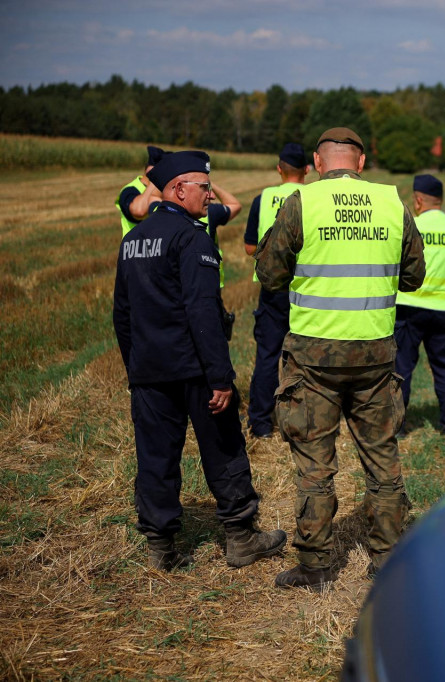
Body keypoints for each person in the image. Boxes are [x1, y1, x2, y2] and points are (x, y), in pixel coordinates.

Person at [255, 127, 425, 589]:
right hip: (375, 355)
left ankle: (315, 566)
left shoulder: (302, 203)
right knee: (382, 460)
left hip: (313, 358)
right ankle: (388, 561)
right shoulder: (392, 204)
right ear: (362, 162)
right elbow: (414, 278)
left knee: (315, 465)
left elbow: (268, 274)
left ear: (318, 162)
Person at [112, 150, 287, 572]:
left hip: (149, 370)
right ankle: (241, 538)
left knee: (155, 457)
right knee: (224, 449)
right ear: (178, 189)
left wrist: (135, 366)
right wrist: (221, 377)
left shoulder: (133, 240)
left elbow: (122, 313)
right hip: (195, 369)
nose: (210, 195)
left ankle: (161, 550)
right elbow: (202, 311)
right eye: (204, 187)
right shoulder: (192, 237)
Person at [395, 174, 445, 436]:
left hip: (409, 307)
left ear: (418, 199)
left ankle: (398, 427)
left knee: (401, 368)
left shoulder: (407, 226)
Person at [243, 142, 308, 438]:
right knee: (305, 356)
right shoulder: (314, 198)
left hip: (272, 289)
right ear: (307, 170)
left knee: (268, 356)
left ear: (278, 169)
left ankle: (260, 423)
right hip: (307, 288)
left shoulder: (263, 197)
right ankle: (302, 422)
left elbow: (249, 247)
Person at [115, 145, 165, 236]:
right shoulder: (130, 190)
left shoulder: (166, 190)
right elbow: (139, 211)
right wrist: (156, 179)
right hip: (135, 249)